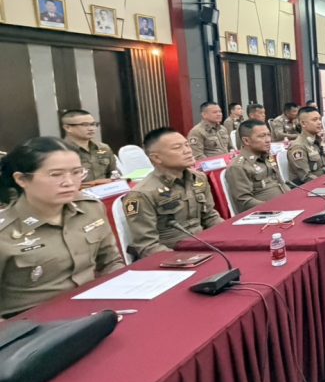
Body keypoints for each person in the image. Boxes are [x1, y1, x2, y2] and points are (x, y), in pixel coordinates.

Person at [0, 137, 124, 317]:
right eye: (56, 175)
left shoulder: (90, 209)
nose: (69, 182)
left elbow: (110, 262)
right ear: (22, 179)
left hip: (92, 311)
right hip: (30, 323)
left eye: (76, 172)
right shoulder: (5, 232)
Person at [123, 128, 223, 258]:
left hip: (205, 245)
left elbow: (210, 217)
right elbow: (148, 246)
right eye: (177, 148)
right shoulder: (141, 194)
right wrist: (184, 259)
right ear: (156, 158)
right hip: (174, 255)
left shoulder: (199, 178)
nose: (187, 151)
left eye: (187, 145)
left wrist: (231, 236)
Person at [224, 120, 289, 213]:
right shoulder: (238, 167)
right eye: (262, 136)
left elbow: (281, 183)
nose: (268, 140)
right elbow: (244, 202)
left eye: (268, 135)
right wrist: (273, 208)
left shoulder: (266, 157)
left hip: (285, 205)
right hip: (267, 213)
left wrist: (293, 198)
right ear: (246, 141)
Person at [59, 109, 118, 183]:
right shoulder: (59, 151)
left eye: (93, 124)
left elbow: (113, 174)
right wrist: (94, 184)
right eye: (85, 125)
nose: (91, 128)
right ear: (68, 128)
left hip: (107, 189)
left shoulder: (103, 148)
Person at [288, 107, 325, 184]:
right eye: (314, 120)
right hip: (310, 187)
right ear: (303, 123)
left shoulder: (319, 141)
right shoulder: (298, 147)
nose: (319, 122)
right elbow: (306, 177)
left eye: (319, 119)